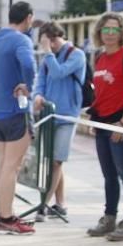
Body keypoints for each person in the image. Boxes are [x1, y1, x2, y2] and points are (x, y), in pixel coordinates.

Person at [84, 12, 123, 242]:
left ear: (122, 32)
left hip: (122, 123)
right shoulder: (100, 57)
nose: (109, 33)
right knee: (108, 175)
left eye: (114, 29)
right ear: (99, 32)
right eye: (105, 29)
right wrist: (95, 118)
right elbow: (101, 91)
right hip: (103, 122)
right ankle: (109, 218)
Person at [0, 1, 37, 235]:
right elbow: (28, 63)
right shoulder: (22, 40)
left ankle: (4, 213)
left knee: (2, 164)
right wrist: (27, 85)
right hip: (16, 110)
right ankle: (6, 219)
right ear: (28, 18)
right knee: (12, 166)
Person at [31, 22, 85, 222]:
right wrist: (37, 96)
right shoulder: (47, 58)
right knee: (53, 161)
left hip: (67, 115)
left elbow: (59, 72)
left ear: (53, 38)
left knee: (56, 161)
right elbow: (41, 82)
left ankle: (43, 205)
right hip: (48, 114)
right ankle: (60, 204)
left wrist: (48, 53)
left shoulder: (76, 55)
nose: (46, 46)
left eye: (47, 42)